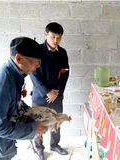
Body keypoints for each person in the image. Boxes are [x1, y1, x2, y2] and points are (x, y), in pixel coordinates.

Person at [0, 37, 48, 160]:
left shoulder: (13, 76)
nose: (38, 66)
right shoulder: (1, 83)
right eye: (35, 61)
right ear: (19, 59)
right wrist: (32, 129)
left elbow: (12, 105)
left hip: (1, 147)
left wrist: (33, 114)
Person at [30, 22, 70, 159]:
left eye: (59, 37)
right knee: (38, 122)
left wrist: (56, 92)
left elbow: (65, 73)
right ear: (45, 34)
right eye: (53, 37)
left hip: (57, 96)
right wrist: (47, 91)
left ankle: (54, 144)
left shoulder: (63, 53)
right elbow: (33, 74)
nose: (56, 40)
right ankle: (39, 149)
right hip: (40, 96)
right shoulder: (37, 51)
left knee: (56, 121)